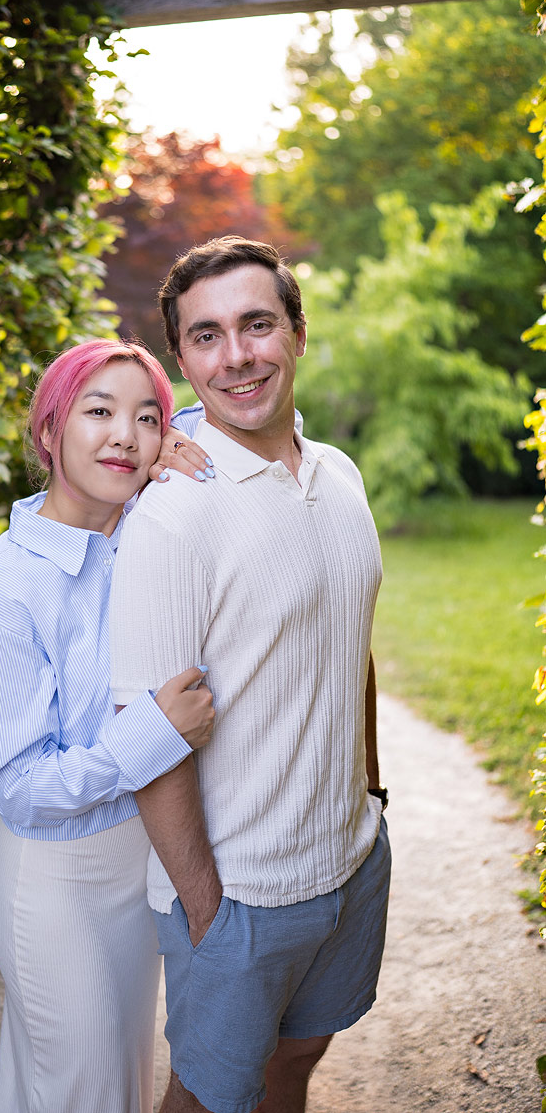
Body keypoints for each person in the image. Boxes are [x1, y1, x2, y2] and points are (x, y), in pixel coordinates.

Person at [109, 236, 391, 1113]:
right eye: (205, 336)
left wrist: (373, 796)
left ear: (296, 333)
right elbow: (145, 733)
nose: (236, 356)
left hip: (349, 862)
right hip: (240, 893)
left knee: (295, 1066)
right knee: (204, 1099)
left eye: (257, 324)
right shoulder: (173, 518)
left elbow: (354, 641)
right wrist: (203, 905)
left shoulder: (340, 477)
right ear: (182, 360)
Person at [0, 338, 216, 1113]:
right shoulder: (8, 598)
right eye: (97, 412)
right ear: (49, 432)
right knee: (81, 1091)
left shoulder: (141, 531)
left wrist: (181, 437)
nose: (124, 436)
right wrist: (155, 734)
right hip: (58, 879)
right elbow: (21, 788)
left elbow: (227, 421)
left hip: (142, 861)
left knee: (103, 1083)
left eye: (146, 418)